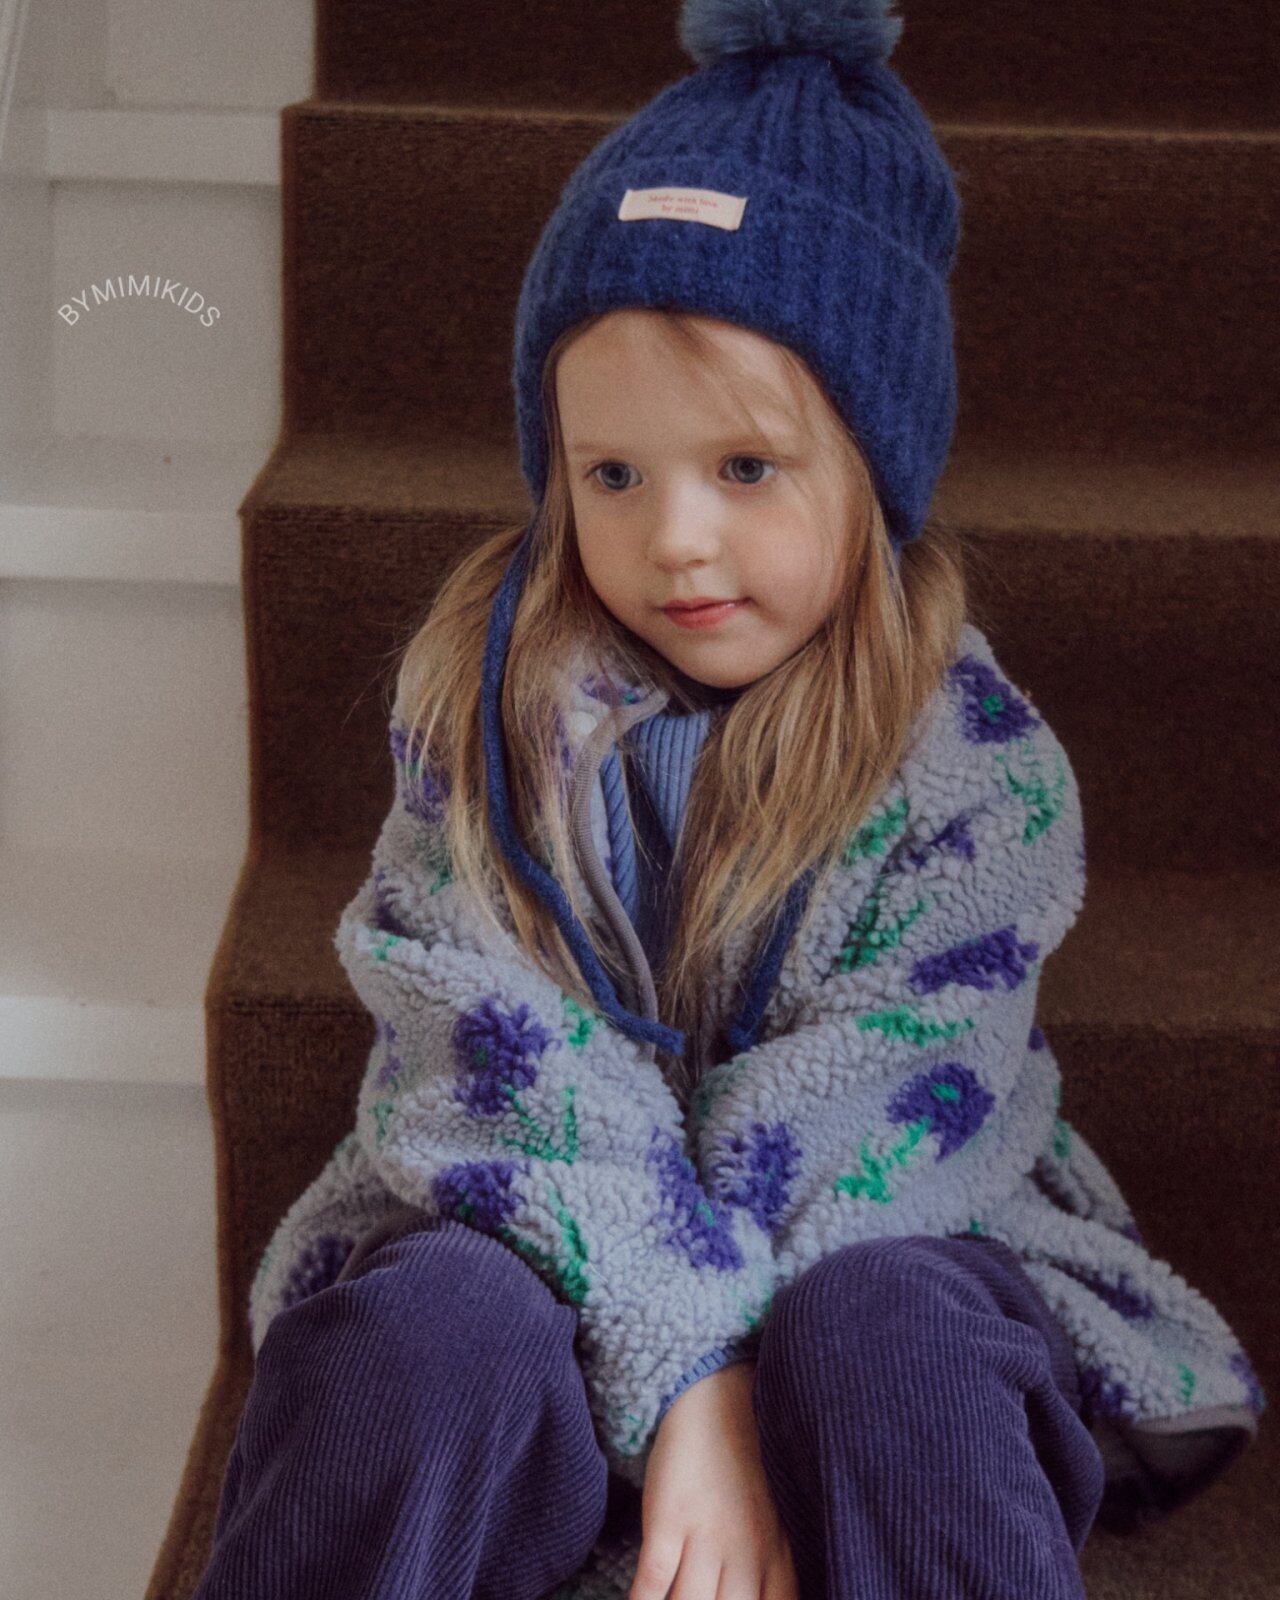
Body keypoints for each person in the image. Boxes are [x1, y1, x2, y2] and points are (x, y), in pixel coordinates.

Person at [192, 1, 1266, 1597]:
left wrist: (741, 1368)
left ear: (873, 472)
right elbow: (490, 1049)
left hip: (885, 1232)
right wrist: (688, 1373)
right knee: (421, 1334)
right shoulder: (488, 717)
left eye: (745, 469)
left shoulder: (977, 765)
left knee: (892, 1336)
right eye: (612, 474)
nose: (675, 538)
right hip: (550, 1229)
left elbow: (887, 1104)